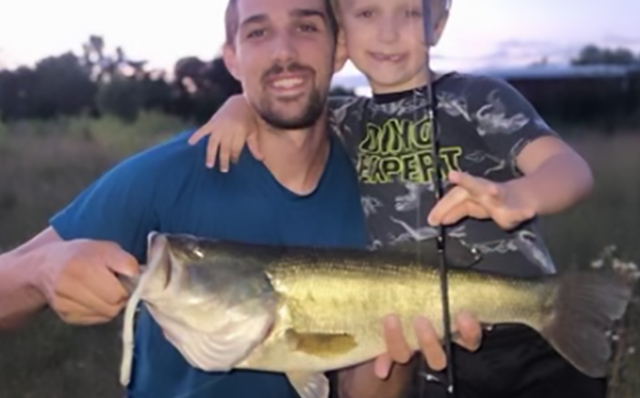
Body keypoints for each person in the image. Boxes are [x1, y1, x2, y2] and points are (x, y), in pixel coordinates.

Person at [0, 0, 481, 396]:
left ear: (338, 52)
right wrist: (42, 273)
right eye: (257, 33)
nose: (285, 51)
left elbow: (359, 381)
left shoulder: (380, 183)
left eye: (306, 26)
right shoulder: (167, 174)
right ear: (232, 57)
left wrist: (393, 358)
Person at [187, 0, 600, 397]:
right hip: (427, 348)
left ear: (437, 24)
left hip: (530, 331)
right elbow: (280, 112)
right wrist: (238, 106)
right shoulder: (343, 121)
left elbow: (571, 170)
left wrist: (517, 195)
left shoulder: (479, 98)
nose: (388, 31)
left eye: (411, 12)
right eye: (367, 12)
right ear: (341, 37)